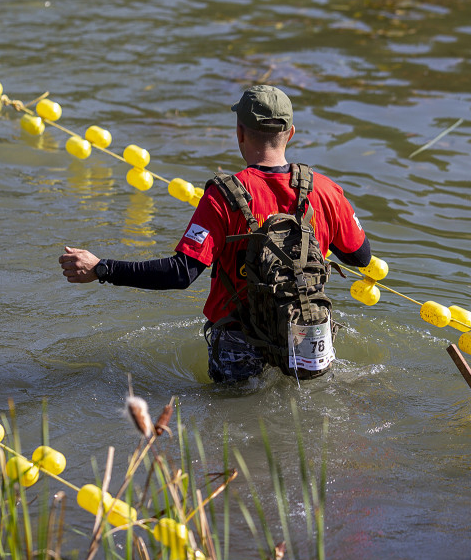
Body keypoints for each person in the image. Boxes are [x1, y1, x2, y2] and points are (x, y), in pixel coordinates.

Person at [58, 85, 372, 383]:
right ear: (289, 134)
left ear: (239, 133)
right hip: (306, 329)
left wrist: (102, 268)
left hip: (239, 340)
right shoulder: (326, 191)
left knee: (235, 426)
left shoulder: (224, 196)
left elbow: (180, 273)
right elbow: (360, 256)